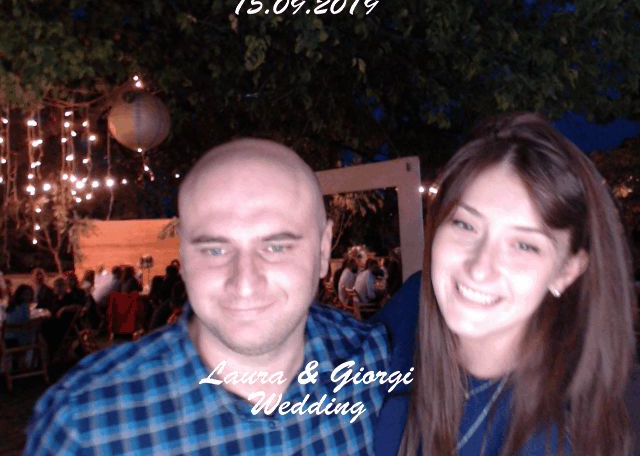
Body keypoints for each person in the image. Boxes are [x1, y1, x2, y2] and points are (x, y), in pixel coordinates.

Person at [26, 138, 391, 455]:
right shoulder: (86, 424)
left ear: (324, 249)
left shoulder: (373, 362)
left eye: (277, 246)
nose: (244, 283)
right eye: (215, 249)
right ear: (184, 256)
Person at [373, 112, 637, 455]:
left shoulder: (559, 439)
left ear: (566, 272)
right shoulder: (410, 308)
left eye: (524, 245)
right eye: (465, 225)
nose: (480, 269)